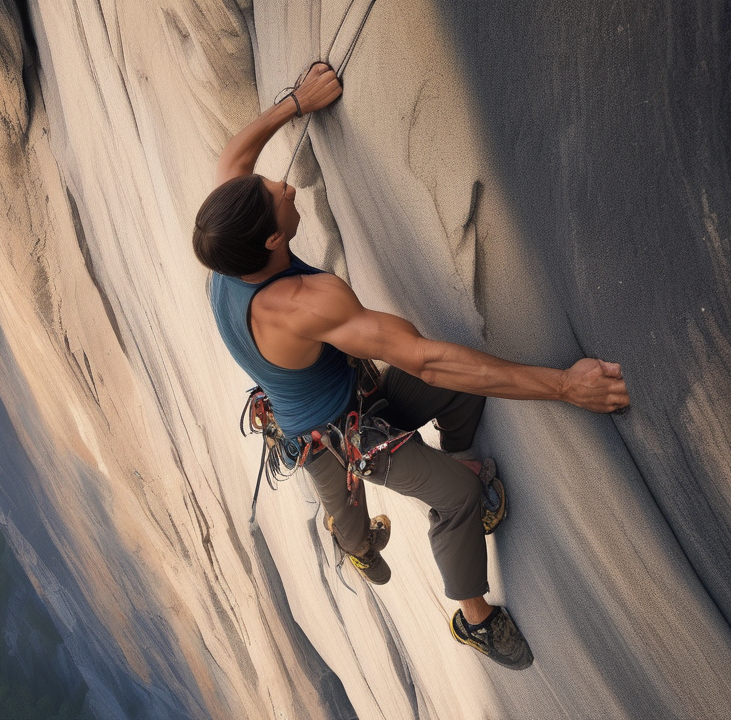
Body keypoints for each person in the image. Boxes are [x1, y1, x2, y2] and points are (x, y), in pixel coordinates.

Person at [193, 63, 630, 670]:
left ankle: (397, 503)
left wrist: (295, 102)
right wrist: (565, 386)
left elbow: (233, 157)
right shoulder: (304, 306)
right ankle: (473, 619)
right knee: (453, 495)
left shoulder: (227, 244)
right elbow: (424, 356)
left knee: (459, 396)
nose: (288, 187)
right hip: (335, 434)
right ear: (271, 242)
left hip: (320, 395)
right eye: (278, 196)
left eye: (273, 184)